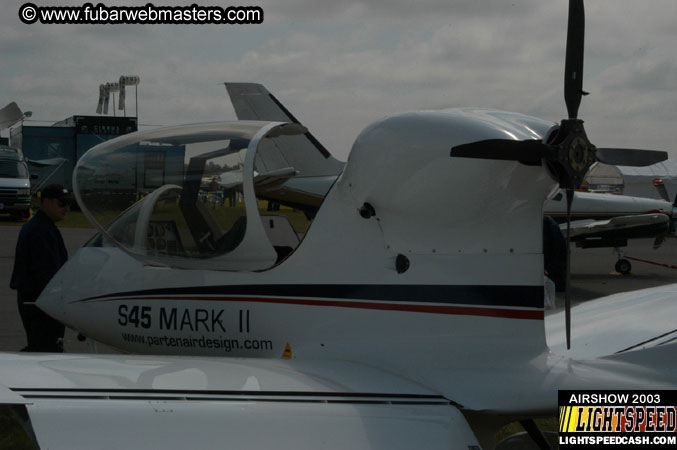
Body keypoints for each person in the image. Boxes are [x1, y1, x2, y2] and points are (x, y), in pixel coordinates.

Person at [10, 184, 71, 352]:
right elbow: (47, 275)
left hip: (38, 303)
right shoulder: (40, 231)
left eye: (68, 204)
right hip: (42, 305)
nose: (66, 208)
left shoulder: (42, 226)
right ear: (47, 202)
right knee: (46, 351)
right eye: (62, 203)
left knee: (42, 348)